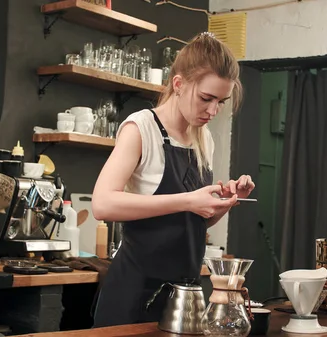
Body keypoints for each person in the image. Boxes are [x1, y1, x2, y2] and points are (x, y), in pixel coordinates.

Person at [91, 31, 255, 328]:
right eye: (206, 98)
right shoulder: (142, 128)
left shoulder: (202, 138)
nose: (213, 111)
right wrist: (190, 200)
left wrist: (223, 204)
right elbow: (102, 204)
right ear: (178, 84)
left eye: (221, 101)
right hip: (133, 294)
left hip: (184, 298)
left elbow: (192, 222)